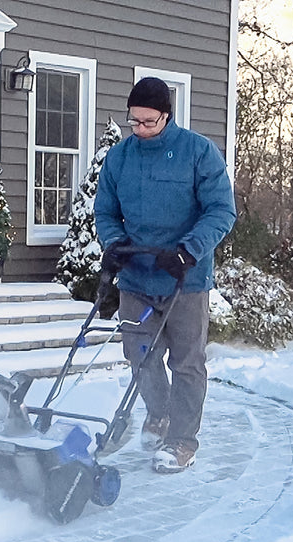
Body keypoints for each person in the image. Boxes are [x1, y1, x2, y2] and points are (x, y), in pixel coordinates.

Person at [94, 77, 236, 473]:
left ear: (166, 115)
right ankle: (159, 412)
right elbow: (105, 211)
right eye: (134, 122)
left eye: (148, 122)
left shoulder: (198, 152)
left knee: (187, 363)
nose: (139, 129)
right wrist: (115, 242)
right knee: (139, 355)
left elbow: (222, 211)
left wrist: (188, 250)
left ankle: (181, 442)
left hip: (184, 279)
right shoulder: (120, 158)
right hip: (136, 276)